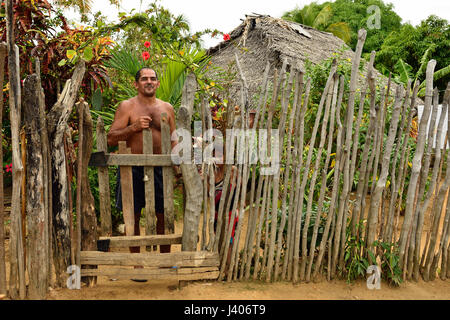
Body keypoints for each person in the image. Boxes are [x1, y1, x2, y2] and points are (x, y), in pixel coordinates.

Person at [107, 67, 177, 259]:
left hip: (161, 168)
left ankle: (164, 260)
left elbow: (174, 139)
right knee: (133, 216)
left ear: (158, 83)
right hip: (132, 168)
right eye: (144, 79)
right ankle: (137, 262)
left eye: (153, 79)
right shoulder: (126, 107)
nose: (149, 82)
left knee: (163, 215)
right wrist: (133, 127)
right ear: (136, 84)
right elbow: (111, 138)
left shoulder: (167, 108)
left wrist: (177, 162)